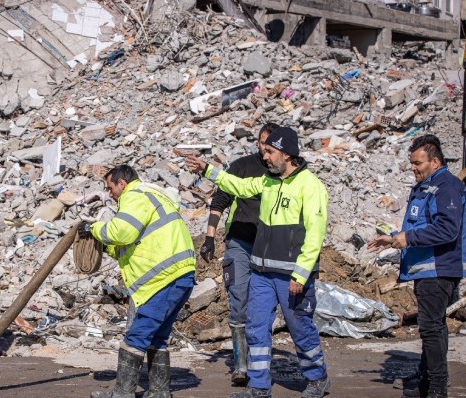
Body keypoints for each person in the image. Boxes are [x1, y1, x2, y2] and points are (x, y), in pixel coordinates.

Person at [186, 126, 330, 398]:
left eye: (270, 152)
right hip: (262, 272)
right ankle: (259, 386)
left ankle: (317, 378)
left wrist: (301, 275)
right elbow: (238, 186)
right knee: (256, 327)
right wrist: (208, 169)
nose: (264, 157)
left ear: (286, 155)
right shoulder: (267, 181)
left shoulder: (310, 186)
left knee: (300, 328)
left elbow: (315, 234)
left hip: (291, 276)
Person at [78, 165, 196, 398]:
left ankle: (122, 394)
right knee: (156, 337)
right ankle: (160, 392)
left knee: (137, 336)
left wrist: (93, 229)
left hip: (164, 278)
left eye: (110, 187)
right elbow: (129, 244)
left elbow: (122, 232)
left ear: (122, 183)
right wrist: (104, 245)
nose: (109, 193)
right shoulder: (151, 195)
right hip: (178, 275)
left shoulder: (135, 195)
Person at [367, 135, 466, 398]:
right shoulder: (427, 186)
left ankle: (437, 386)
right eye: (411, 163)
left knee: (431, 327)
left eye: (418, 163)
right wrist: (394, 239)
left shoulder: (446, 186)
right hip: (426, 267)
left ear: (435, 162)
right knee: (432, 325)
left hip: (439, 268)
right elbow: (421, 225)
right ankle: (426, 377)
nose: (413, 167)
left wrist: (407, 238)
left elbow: (447, 229)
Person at [201, 122, 277, 385]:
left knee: (264, 305)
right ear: (257, 142)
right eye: (262, 143)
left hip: (269, 246)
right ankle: (241, 364)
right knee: (239, 298)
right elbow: (221, 199)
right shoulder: (242, 166)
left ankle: (260, 360)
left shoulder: (282, 173)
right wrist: (210, 237)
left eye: (271, 145)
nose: (265, 150)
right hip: (240, 244)